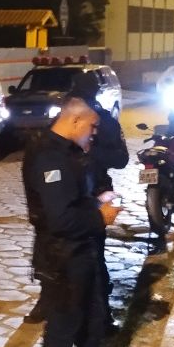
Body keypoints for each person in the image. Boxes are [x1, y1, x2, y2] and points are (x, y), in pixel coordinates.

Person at [23, 96, 142, 347]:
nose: (94, 133)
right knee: (60, 335)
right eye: (92, 126)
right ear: (75, 121)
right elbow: (59, 219)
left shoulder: (71, 151)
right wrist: (99, 216)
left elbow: (78, 194)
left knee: (92, 324)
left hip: (83, 253)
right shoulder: (48, 155)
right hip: (62, 261)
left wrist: (99, 198)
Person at [24, 71, 128, 327]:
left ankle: (99, 314)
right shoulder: (67, 116)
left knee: (92, 255)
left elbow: (120, 159)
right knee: (54, 253)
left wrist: (90, 150)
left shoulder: (102, 120)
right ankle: (50, 303)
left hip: (92, 191)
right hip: (63, 195)